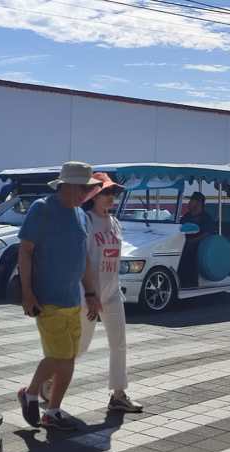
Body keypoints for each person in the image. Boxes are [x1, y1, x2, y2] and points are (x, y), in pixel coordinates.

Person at [40, 173, 143, 412]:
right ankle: (50, 379)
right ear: (93, 195)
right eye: (105, 192)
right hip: (88, 295)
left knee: (119, 344)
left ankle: (118, 394)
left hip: (112, 293)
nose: (110, 197)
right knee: (80, 347)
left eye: (113, 193)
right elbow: (80, 258)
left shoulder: (115, 223)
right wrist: (89, 293)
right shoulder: (85, 220)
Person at [16, 161, 102, 431]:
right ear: (65, 186)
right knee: (60, 355)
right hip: (47, 299)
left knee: (68, 357)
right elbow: (25, 251)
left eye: (88, 189)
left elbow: (83, 259)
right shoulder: (42, 209)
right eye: (82, 188)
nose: (86, 194)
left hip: (73, 299)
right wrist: (27, 293)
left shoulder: (81, 215)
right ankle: (31, 393)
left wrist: (91, 292)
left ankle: (51, 410)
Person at [177, 191, 216, 287]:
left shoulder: (206, 218)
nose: (189, 203)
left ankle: (191, 282)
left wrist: (192, 241)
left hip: (201, 245)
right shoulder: (186, 216)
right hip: (184, 242)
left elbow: (207, 233)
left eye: (191, 200)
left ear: (199, 203)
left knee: (189, 251)